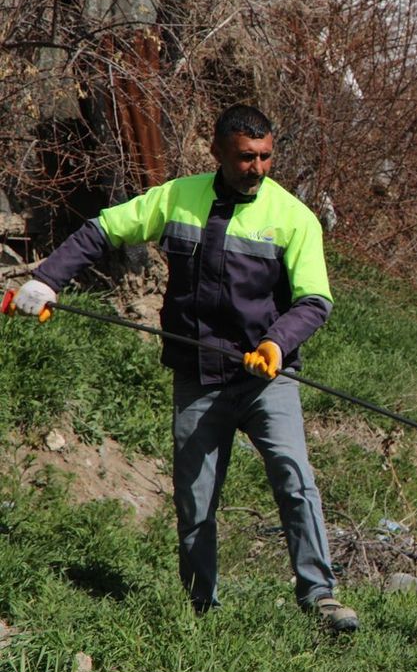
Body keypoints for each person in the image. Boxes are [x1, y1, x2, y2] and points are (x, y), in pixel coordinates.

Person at [12, 104, 358, 632]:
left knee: (294, 477)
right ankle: (202, 608)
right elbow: (102, 231)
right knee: (194, 500)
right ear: (217, 152)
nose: (258, 168)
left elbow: (314, 301)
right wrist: (46, 280)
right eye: (246, 157)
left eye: (266, 157)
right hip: (197, 376)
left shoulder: (294, 217)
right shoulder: (176, 198)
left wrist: (276, 344)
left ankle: (321, 597)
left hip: (266, 377)